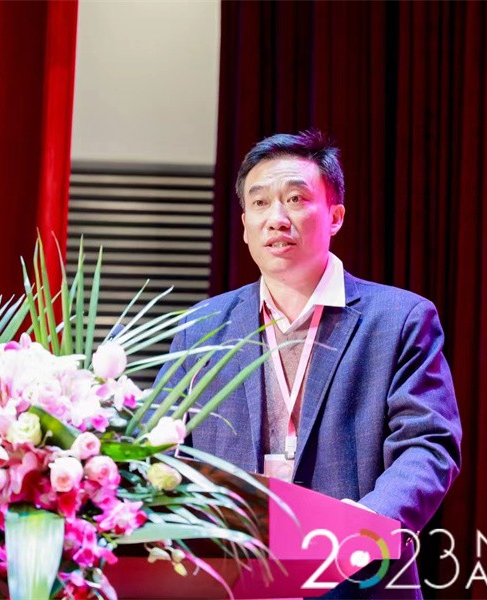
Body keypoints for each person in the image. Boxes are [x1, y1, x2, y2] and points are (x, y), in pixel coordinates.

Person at [158, 130, 462, 598]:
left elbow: (428, 444)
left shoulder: (399, 318)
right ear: (244, 224)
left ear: (335, 216)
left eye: (296, 199)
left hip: (359, 577)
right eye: (260, 203)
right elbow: (159, 444)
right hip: (230, 578)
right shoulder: (203, 326)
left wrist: (364, 527)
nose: (276, 219)